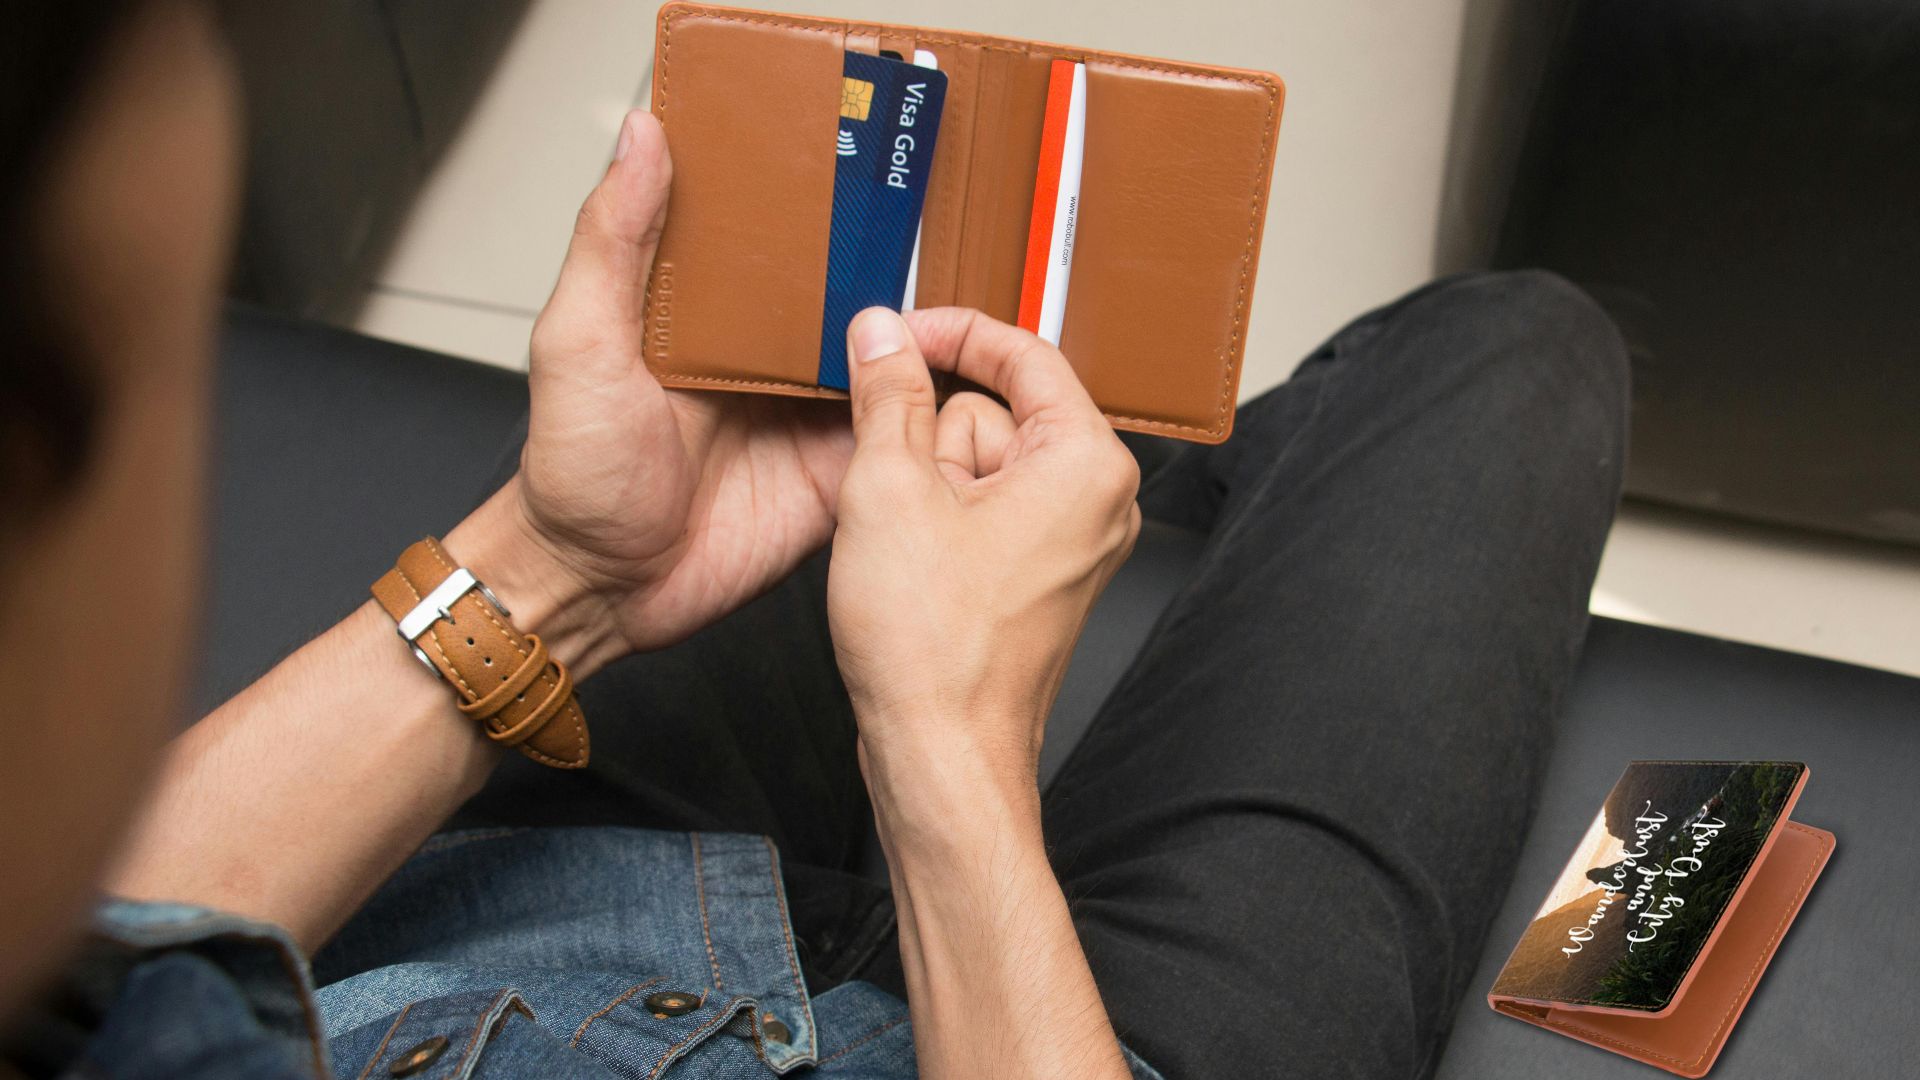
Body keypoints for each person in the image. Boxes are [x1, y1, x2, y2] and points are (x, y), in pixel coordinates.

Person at [0, 3, 1628, 1078]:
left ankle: (1136, 488)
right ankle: (1180, 491)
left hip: (523, 918)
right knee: (1509, 356)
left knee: (954, 372)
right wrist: (946, 753)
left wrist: (565, 568)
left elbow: (100, 973)